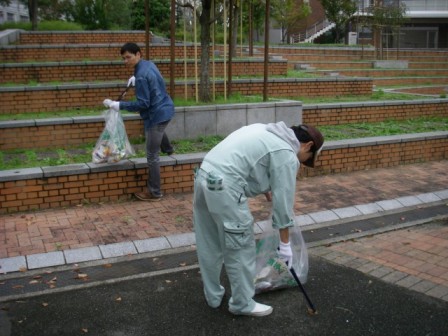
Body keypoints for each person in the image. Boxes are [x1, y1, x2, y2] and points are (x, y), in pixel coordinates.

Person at [193, 121, 324, 317]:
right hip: (226, 186)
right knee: (240, 247)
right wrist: (285, 244)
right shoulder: (287, 152)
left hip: (204, 175)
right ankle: (242, 304)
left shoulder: (265, 129)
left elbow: (250, 161)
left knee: (209, 242)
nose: (303, 161)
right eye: (307, 158)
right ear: (308, 146)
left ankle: (213, 296)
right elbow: (283, 204)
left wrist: (265, 190)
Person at [103, 42, 175, 202]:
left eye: (128, 57)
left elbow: (143, 104)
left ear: (138, 55)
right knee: (158, 131)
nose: (125, 61)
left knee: (151, 154)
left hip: (157, 113)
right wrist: (136, 78)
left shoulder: (141, 75)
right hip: (166, 107)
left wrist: (118, 105)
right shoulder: (148, 65)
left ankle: (155, 192)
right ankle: (169, 150)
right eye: (123, 58)